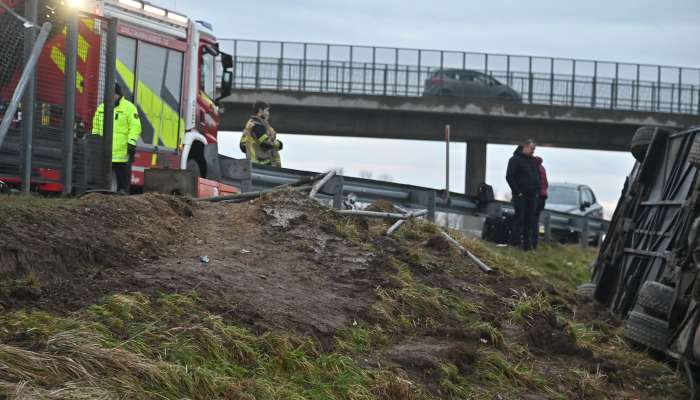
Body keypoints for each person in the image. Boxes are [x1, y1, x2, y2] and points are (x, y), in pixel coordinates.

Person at [92, 83, 142, 193]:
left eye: (114, 94)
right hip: (104, 151)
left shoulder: (129, 108)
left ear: (118, 94)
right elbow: (96, 126)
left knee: (122, 179)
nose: (111, 97)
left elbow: (135, 126)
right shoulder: (101, 108)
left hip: (121, 152)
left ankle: (122, 193)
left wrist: (132, 142)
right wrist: (94, 141)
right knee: (102, 180)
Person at [506, 139, 540, 251]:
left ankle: (527, 246)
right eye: (532, 148)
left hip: (532, 195)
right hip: (520, 195)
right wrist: (517, 191)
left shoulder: (533, 161)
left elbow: (537, 176)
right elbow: (509, 177)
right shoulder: (514, 160)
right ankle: (515, 243)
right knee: (519, 219)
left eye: (534, 149)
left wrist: (537, 191)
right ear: (524, 147)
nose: (533, 151)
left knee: (530, 220)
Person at [239, 101, 283, 167]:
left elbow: (242, 146)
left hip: (255, 164)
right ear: (260, 110)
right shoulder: (257, 125)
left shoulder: (251, 124)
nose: (268, 114)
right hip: (263, 164)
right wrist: (279, 144)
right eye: (267, 111)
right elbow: (265, 142)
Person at [533, 156, 549, 249]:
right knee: (536, 221)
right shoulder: (542, 168)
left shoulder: (534, 168)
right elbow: (546, 184)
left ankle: (531, 243)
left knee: (531, 221)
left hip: (536, 196)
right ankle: (535, 243)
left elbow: (535, 182)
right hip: (542, 197)